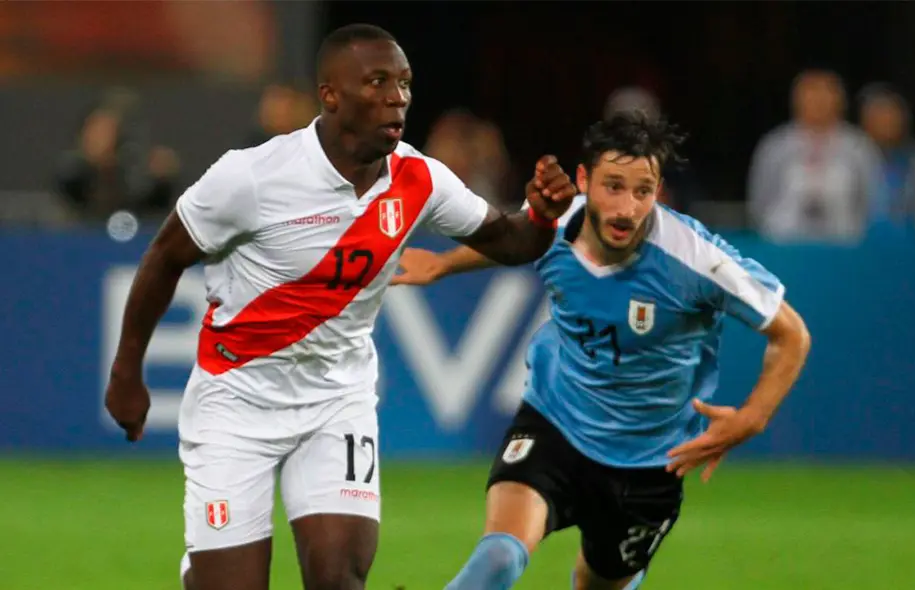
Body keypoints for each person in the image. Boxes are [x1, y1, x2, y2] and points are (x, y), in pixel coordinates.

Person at [103, 23, 576, 590]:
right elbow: (164, 257)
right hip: (235, 403)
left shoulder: (419, 179)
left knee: (338, 577)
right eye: (377, 82)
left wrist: (541, 215)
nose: (397, 97)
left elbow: (510, 241)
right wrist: (127, 371)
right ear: (330, 95)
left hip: (336, 400)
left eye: (404, 83)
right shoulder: (252, 176)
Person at [391, 112, 812, 589]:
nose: (627, 208)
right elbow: (513, 241)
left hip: (649, 463)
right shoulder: (553, 225)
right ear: (584, 180)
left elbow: (791, 334)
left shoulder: (697, 260)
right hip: (555, 425)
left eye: (642, 191)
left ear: (658, 191)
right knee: (499, 558)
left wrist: (753, 417)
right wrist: (443, 265)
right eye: (613, 186)